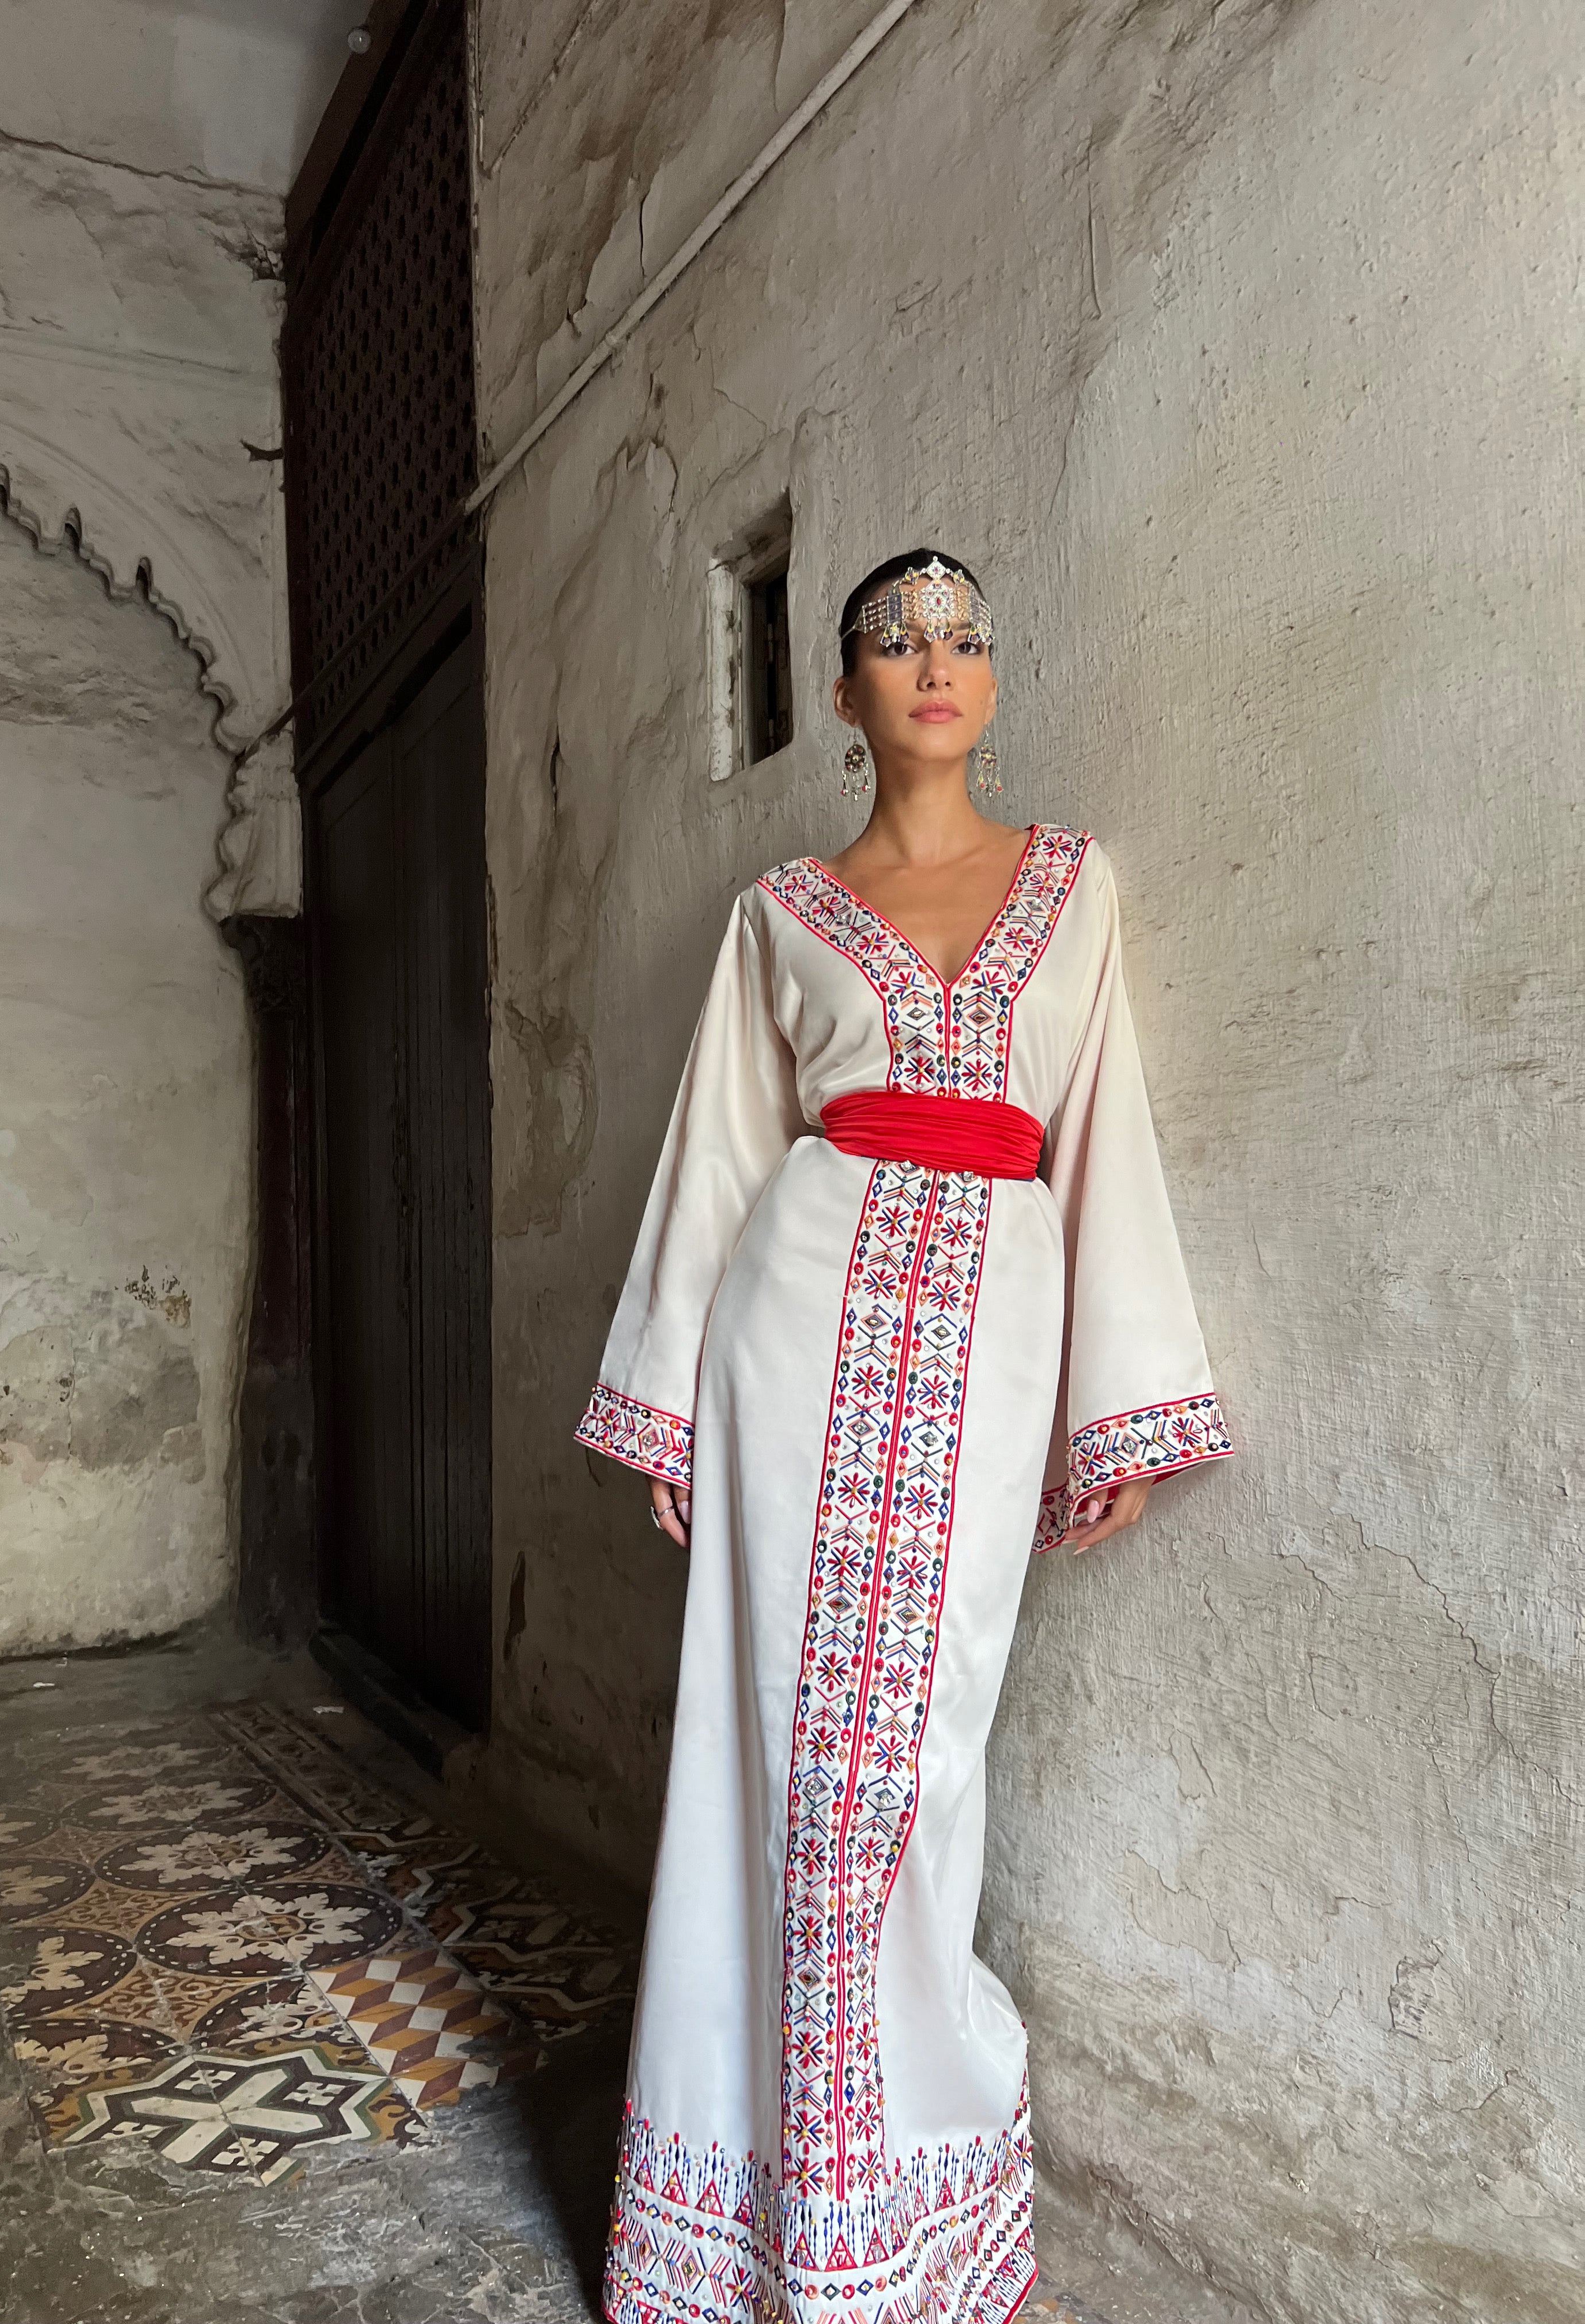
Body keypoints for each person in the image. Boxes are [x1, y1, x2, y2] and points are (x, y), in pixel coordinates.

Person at [575, 550, 1233, 2324]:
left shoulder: (1074, 888)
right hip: (788, 1345)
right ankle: (757, 2222)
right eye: (893, 642)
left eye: (963, 639)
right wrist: (660, 1406)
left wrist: (1124, 1409)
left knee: (920, 1766)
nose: (934, 663)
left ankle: (909, 2196)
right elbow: (720, 1156)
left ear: (993, 681)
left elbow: (1102, 1140)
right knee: (779, 1761)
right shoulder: (780, 911)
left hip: (993, 1336)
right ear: (846, 693)